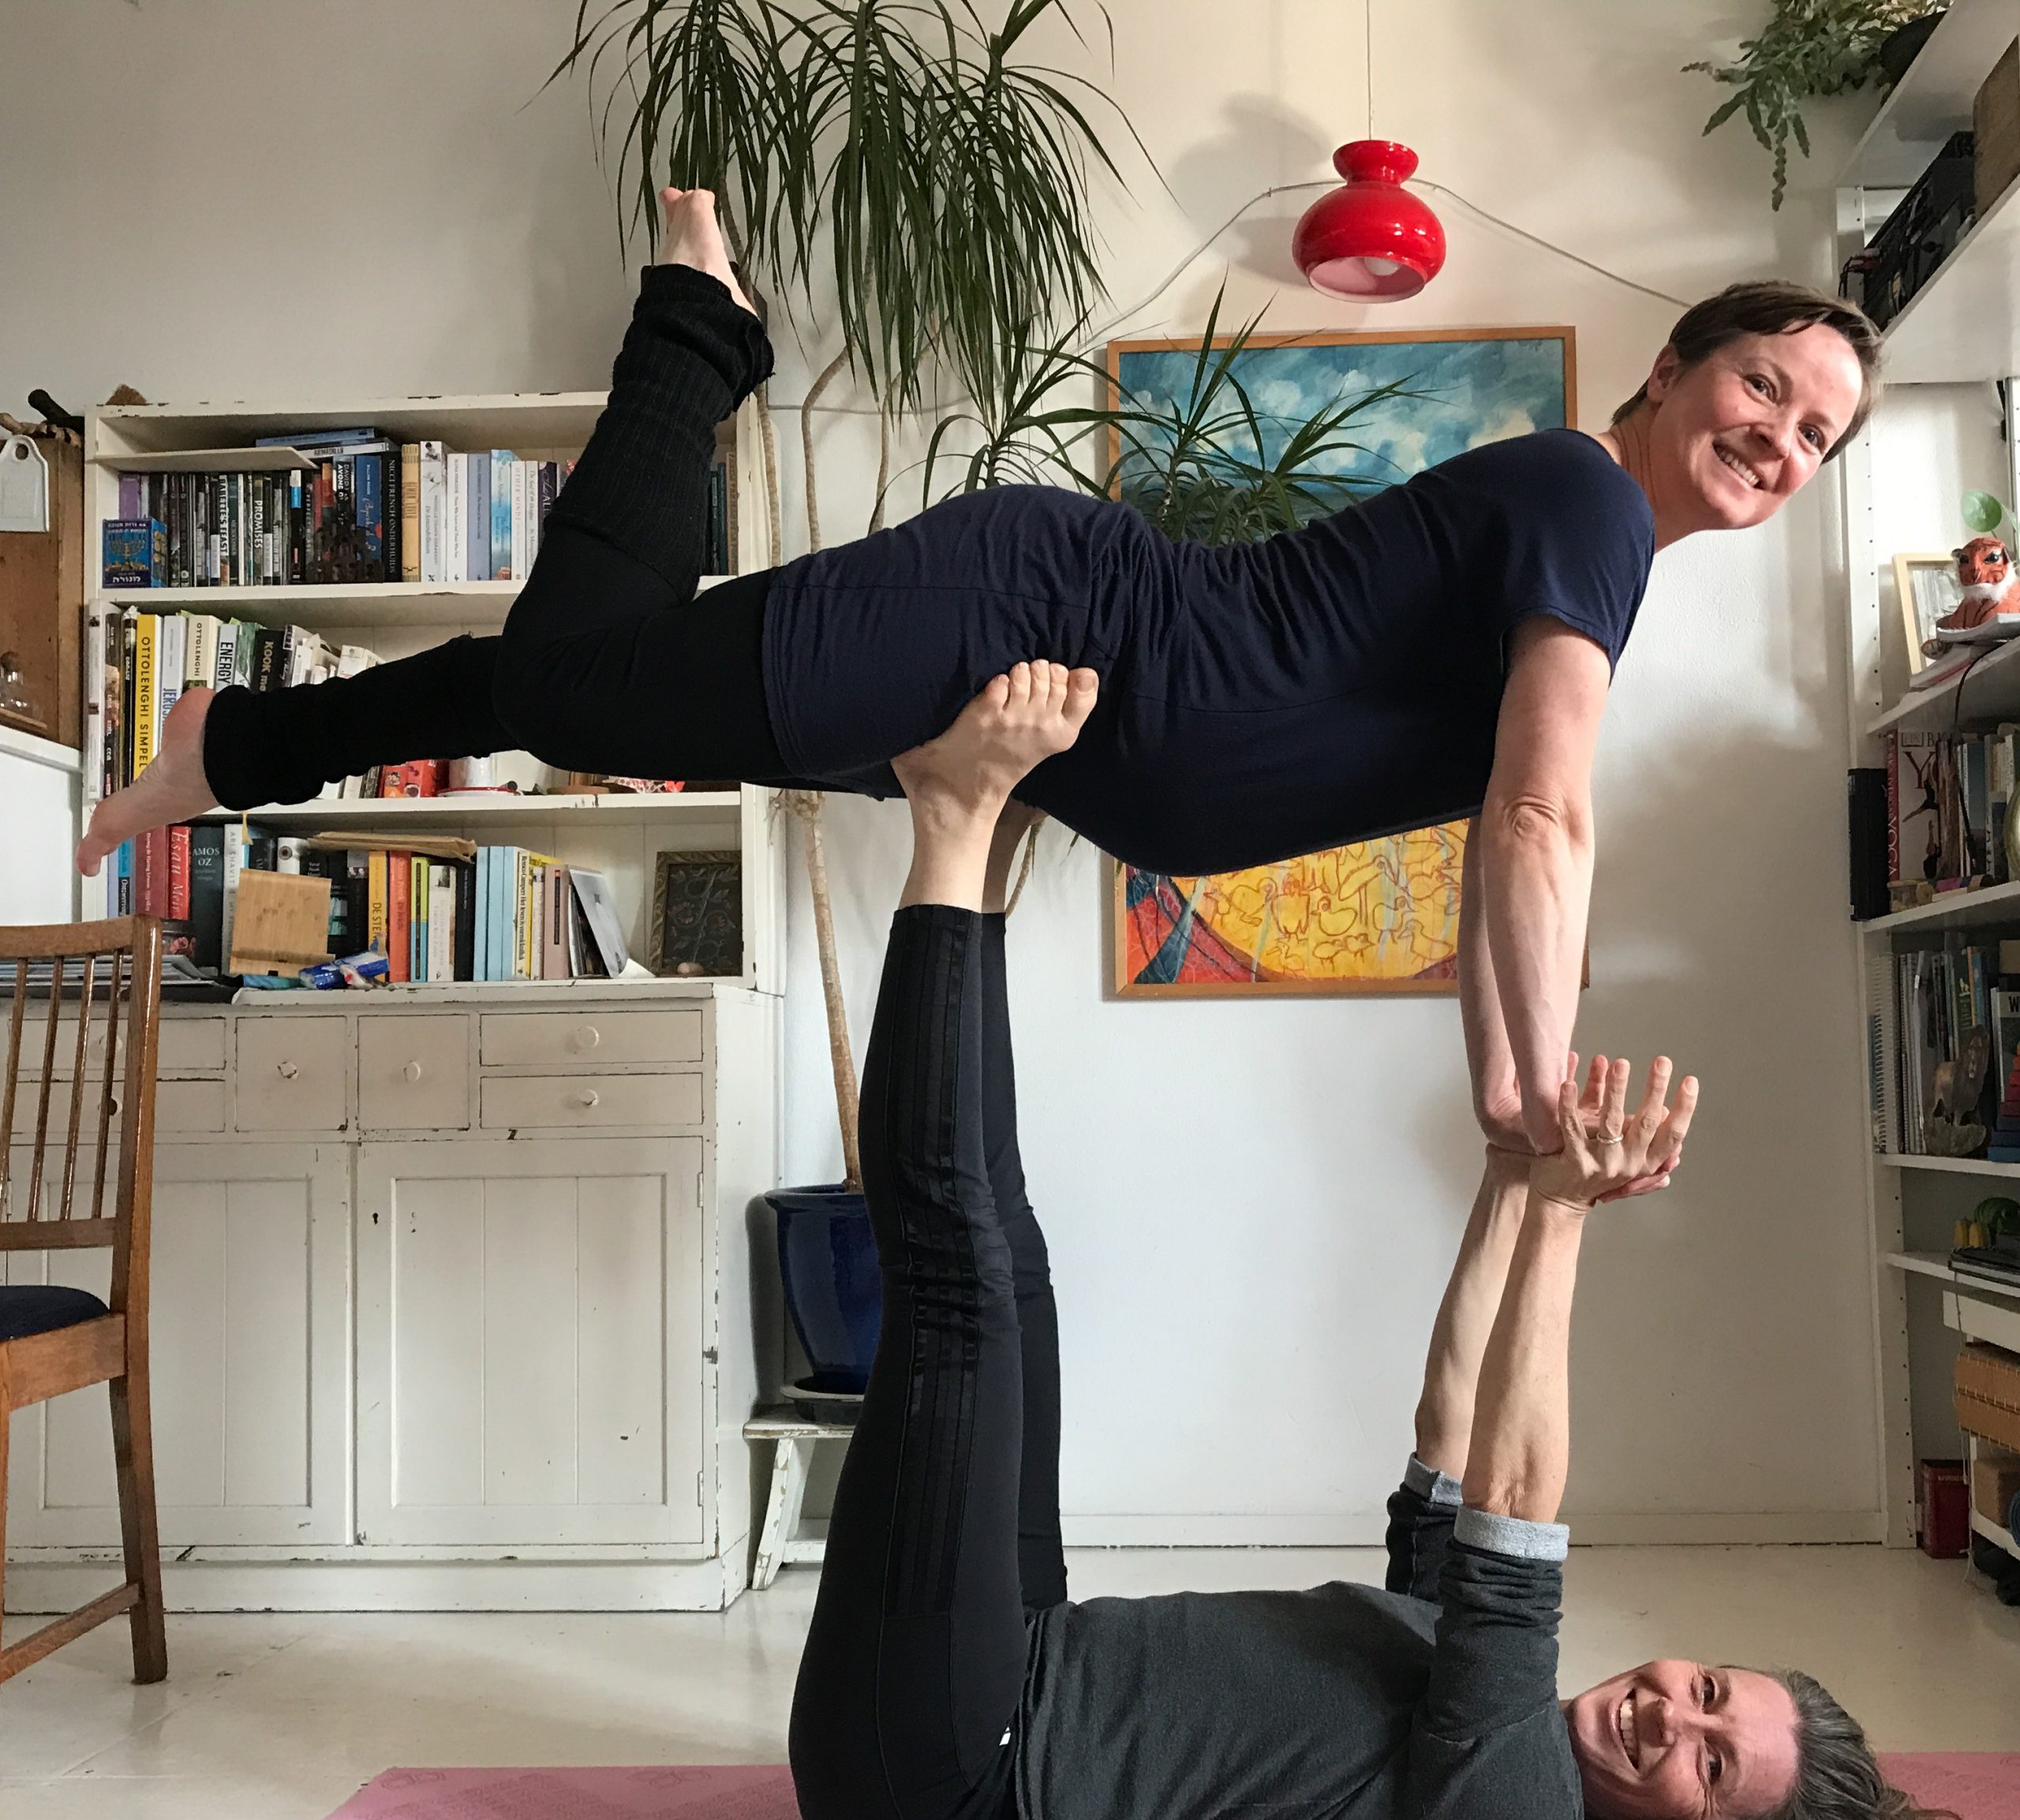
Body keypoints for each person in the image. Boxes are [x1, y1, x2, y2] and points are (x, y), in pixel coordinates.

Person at [78, 189, 1880, 1153]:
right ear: (1667, 373)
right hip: (1027, 618)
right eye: (1759, 391)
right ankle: (693, 324)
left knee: (586, 679)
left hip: (1034, 702)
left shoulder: (1592, 563)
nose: (1777, 440)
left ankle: (231, 744)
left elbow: (1513, 829)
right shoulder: (1580, 494)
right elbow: (1547, 819)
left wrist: (1513, 1087)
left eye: (1814, 438)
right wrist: (1531, 1082)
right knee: (577, 690)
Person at [789, 656, 1958, 1820]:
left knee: (960, 1298)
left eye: (1709, 1763)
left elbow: (1521, 1508)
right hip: (1013, 1667)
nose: (1667, 1712)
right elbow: (1454, 1430)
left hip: (948, 1782)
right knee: (1010, 1268)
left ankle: (948, 824)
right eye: (1711, 1691)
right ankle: (990, 855)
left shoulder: (1515, 1819)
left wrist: (1565, 1215)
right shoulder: (1473, 1691)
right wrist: (1518, 1166)